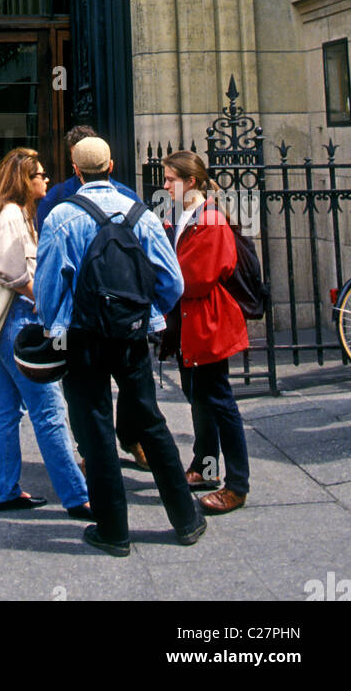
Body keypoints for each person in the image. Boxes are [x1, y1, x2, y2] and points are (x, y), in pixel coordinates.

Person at [35, 136, 206, 556]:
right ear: (112, 165)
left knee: (94, 427)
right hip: (131, 335)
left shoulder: (61, 216)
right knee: (149, 420)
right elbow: (173, 282)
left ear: (75, 170)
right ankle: (185, 519)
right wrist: (146, 315)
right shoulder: (140, 214)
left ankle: (113, 530)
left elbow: (47, 290)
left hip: (82, 337)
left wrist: (55, 328)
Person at [0, 147, 90, 517]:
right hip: (20, 322)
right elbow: (13, 273)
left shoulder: (11, 213)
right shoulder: (11, 215)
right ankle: (78, 496)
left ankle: (4, 489)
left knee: (6, 408)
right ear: (25, 179)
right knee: (49, 409)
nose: (46, 180)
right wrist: (45, 300)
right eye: (40, 174)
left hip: (6, 322)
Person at [36, 123, 150, 472]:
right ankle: (93, 451)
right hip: (105, 317)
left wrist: (48, 320)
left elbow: (47, 271)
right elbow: (161, 268)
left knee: (117, 392)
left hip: (96, 317)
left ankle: (126, 438)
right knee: (98, 393)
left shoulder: (125, 198)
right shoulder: (60, 199)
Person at [161, 151, 250, 514]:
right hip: (188, 322)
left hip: (207, 322)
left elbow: (194, 279)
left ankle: (238, 485)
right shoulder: (183, 216)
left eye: (170, 179)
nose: (164, 186)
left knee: (219, 399)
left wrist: (163, 272)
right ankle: (204, 465)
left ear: (190, 182)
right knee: (197, 394)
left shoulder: (210, 220)